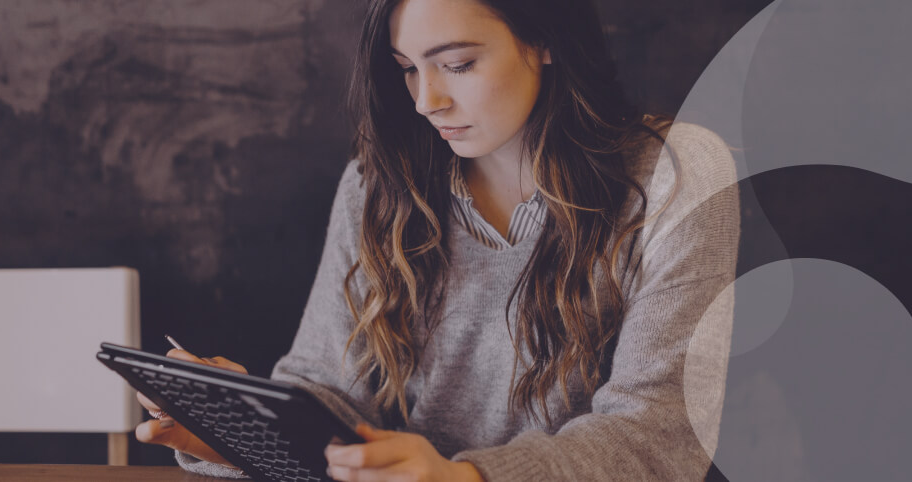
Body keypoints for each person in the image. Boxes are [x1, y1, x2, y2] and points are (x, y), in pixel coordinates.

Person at [136, 0, 740, 480]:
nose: (427, 101)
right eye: (407, 69)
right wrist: (238, 435)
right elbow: (329, 395)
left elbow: (661, 434)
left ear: (545, 37)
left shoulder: (678, 175)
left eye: (457, 64)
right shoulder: (377, 185)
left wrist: (469, 477)